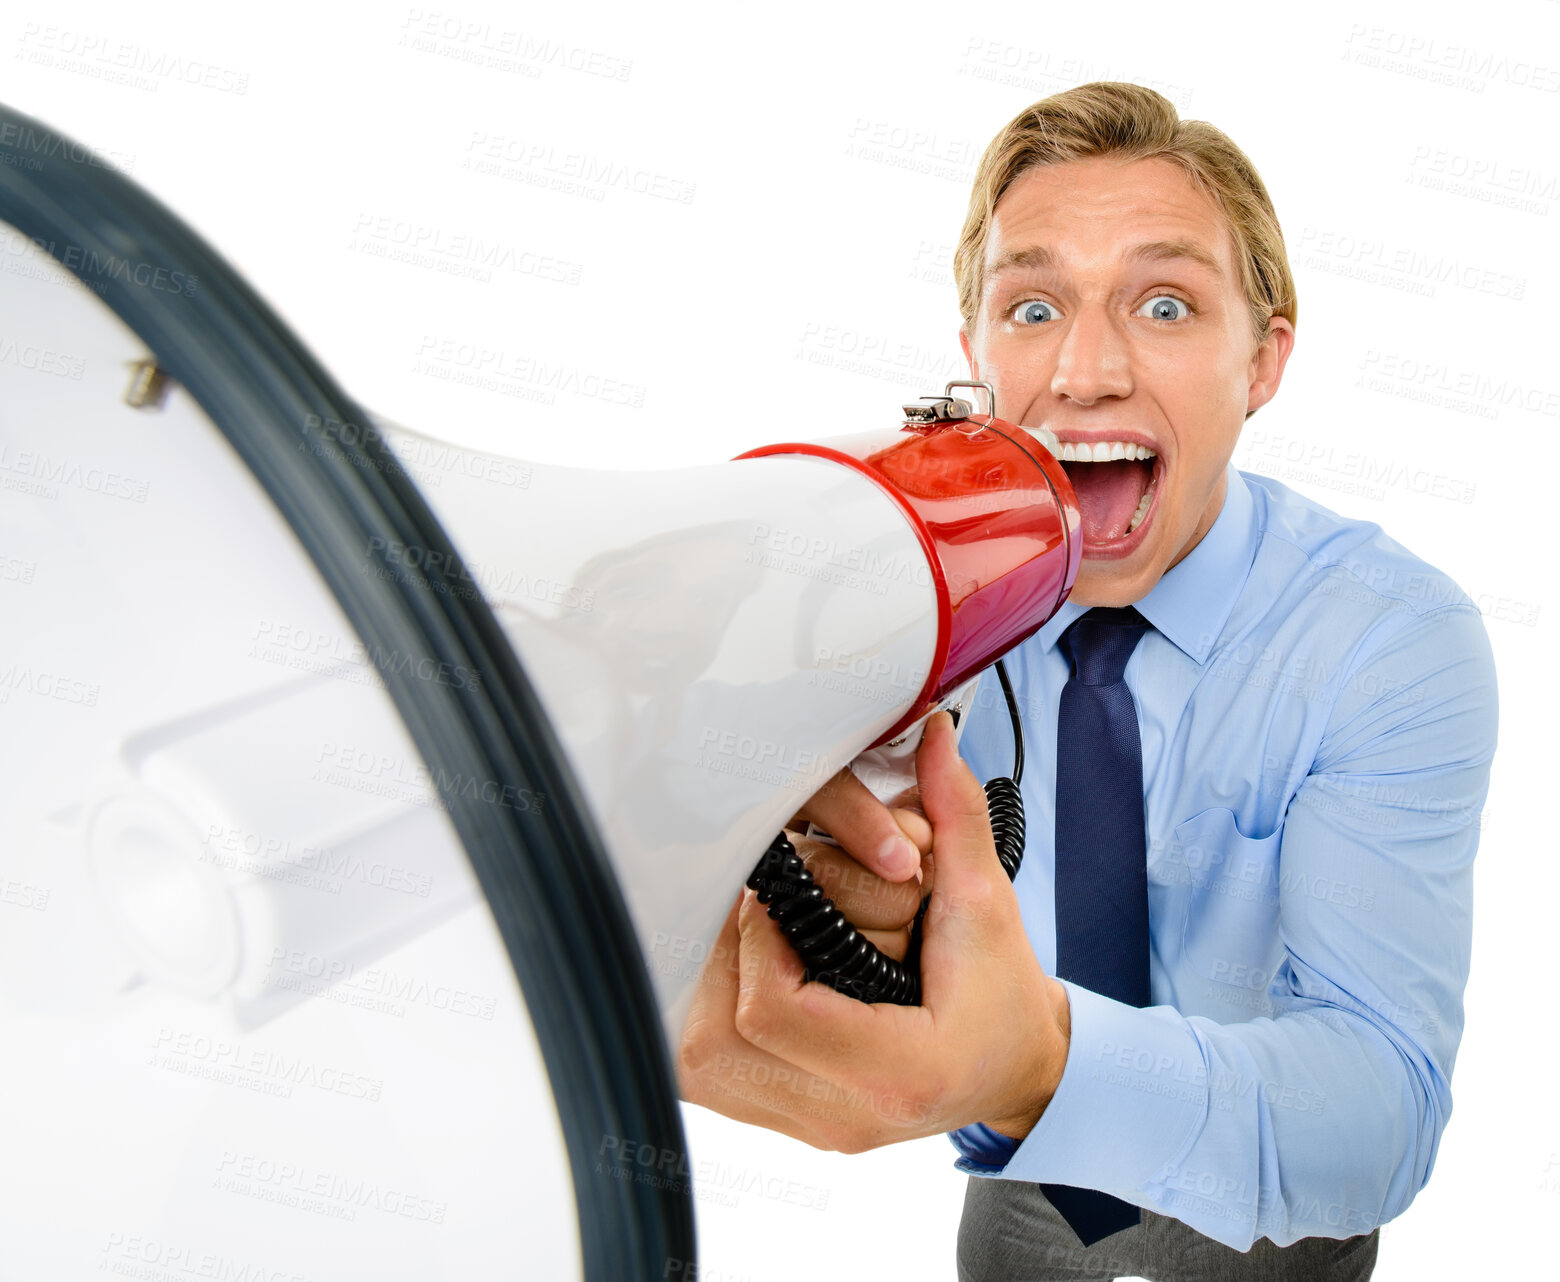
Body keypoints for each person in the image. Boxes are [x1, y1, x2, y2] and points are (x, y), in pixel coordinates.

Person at [677, 82, 1498, 1281]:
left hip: (1273, 1207)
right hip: (1024, 1176)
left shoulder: (1386, 636)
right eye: (1033, 306)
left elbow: (1382, 1105)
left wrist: (1041, 1064)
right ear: (973, 362)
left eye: (1165, 304)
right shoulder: (901, 601)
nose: (1088, 368)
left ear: (1262, 360)